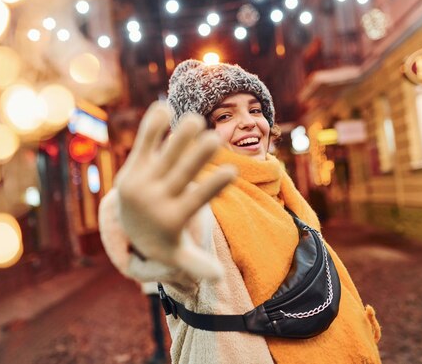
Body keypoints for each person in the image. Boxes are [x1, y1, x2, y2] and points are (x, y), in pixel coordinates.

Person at [99, 59, 381, 364]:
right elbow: (180, 245)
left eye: (255, 109)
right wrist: (145, 225)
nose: (248, 122)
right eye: (224, 115)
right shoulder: (201, 200)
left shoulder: (280, 190)